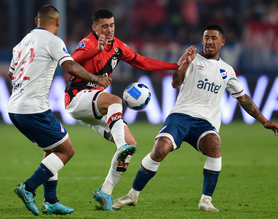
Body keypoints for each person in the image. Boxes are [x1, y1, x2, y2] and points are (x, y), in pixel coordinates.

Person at [112, 25, 278, 212]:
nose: (209, 41)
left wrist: (264, 121)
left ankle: (206, 201)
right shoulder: (191, 59)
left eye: (213, 38)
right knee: (160, 149)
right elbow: (175, 83)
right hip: (180, 116)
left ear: (222, 42)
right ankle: (132, 195)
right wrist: (185, 62)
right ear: (202, 40)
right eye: (206, 38)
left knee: (215, 146)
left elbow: (243, 98)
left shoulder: (227, 70)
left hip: (205, 123)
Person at [64, 8, 187, 211]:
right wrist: (96, 50)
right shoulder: (89, 42)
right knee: (115, 101)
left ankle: (105, 191)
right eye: (104, 26)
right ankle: (120, 145)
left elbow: (143, 62)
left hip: (94, 105)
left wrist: (175, 65)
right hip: (77, 98)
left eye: (112, 25)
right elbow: (72, 60)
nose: (109, 30)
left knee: (132, 143)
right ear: (94, 28)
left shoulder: (118, 46)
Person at [8, 5, 111, 216]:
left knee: (51, 149)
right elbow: (70, 66)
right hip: (33, 108)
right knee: (66, 150)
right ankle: (28, 188)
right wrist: (97, 78)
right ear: (57, 22)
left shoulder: (20, 44)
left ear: (36, 21)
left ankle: (51, 201)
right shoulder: (53, 41)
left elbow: (12, 74)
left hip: (14, 107)